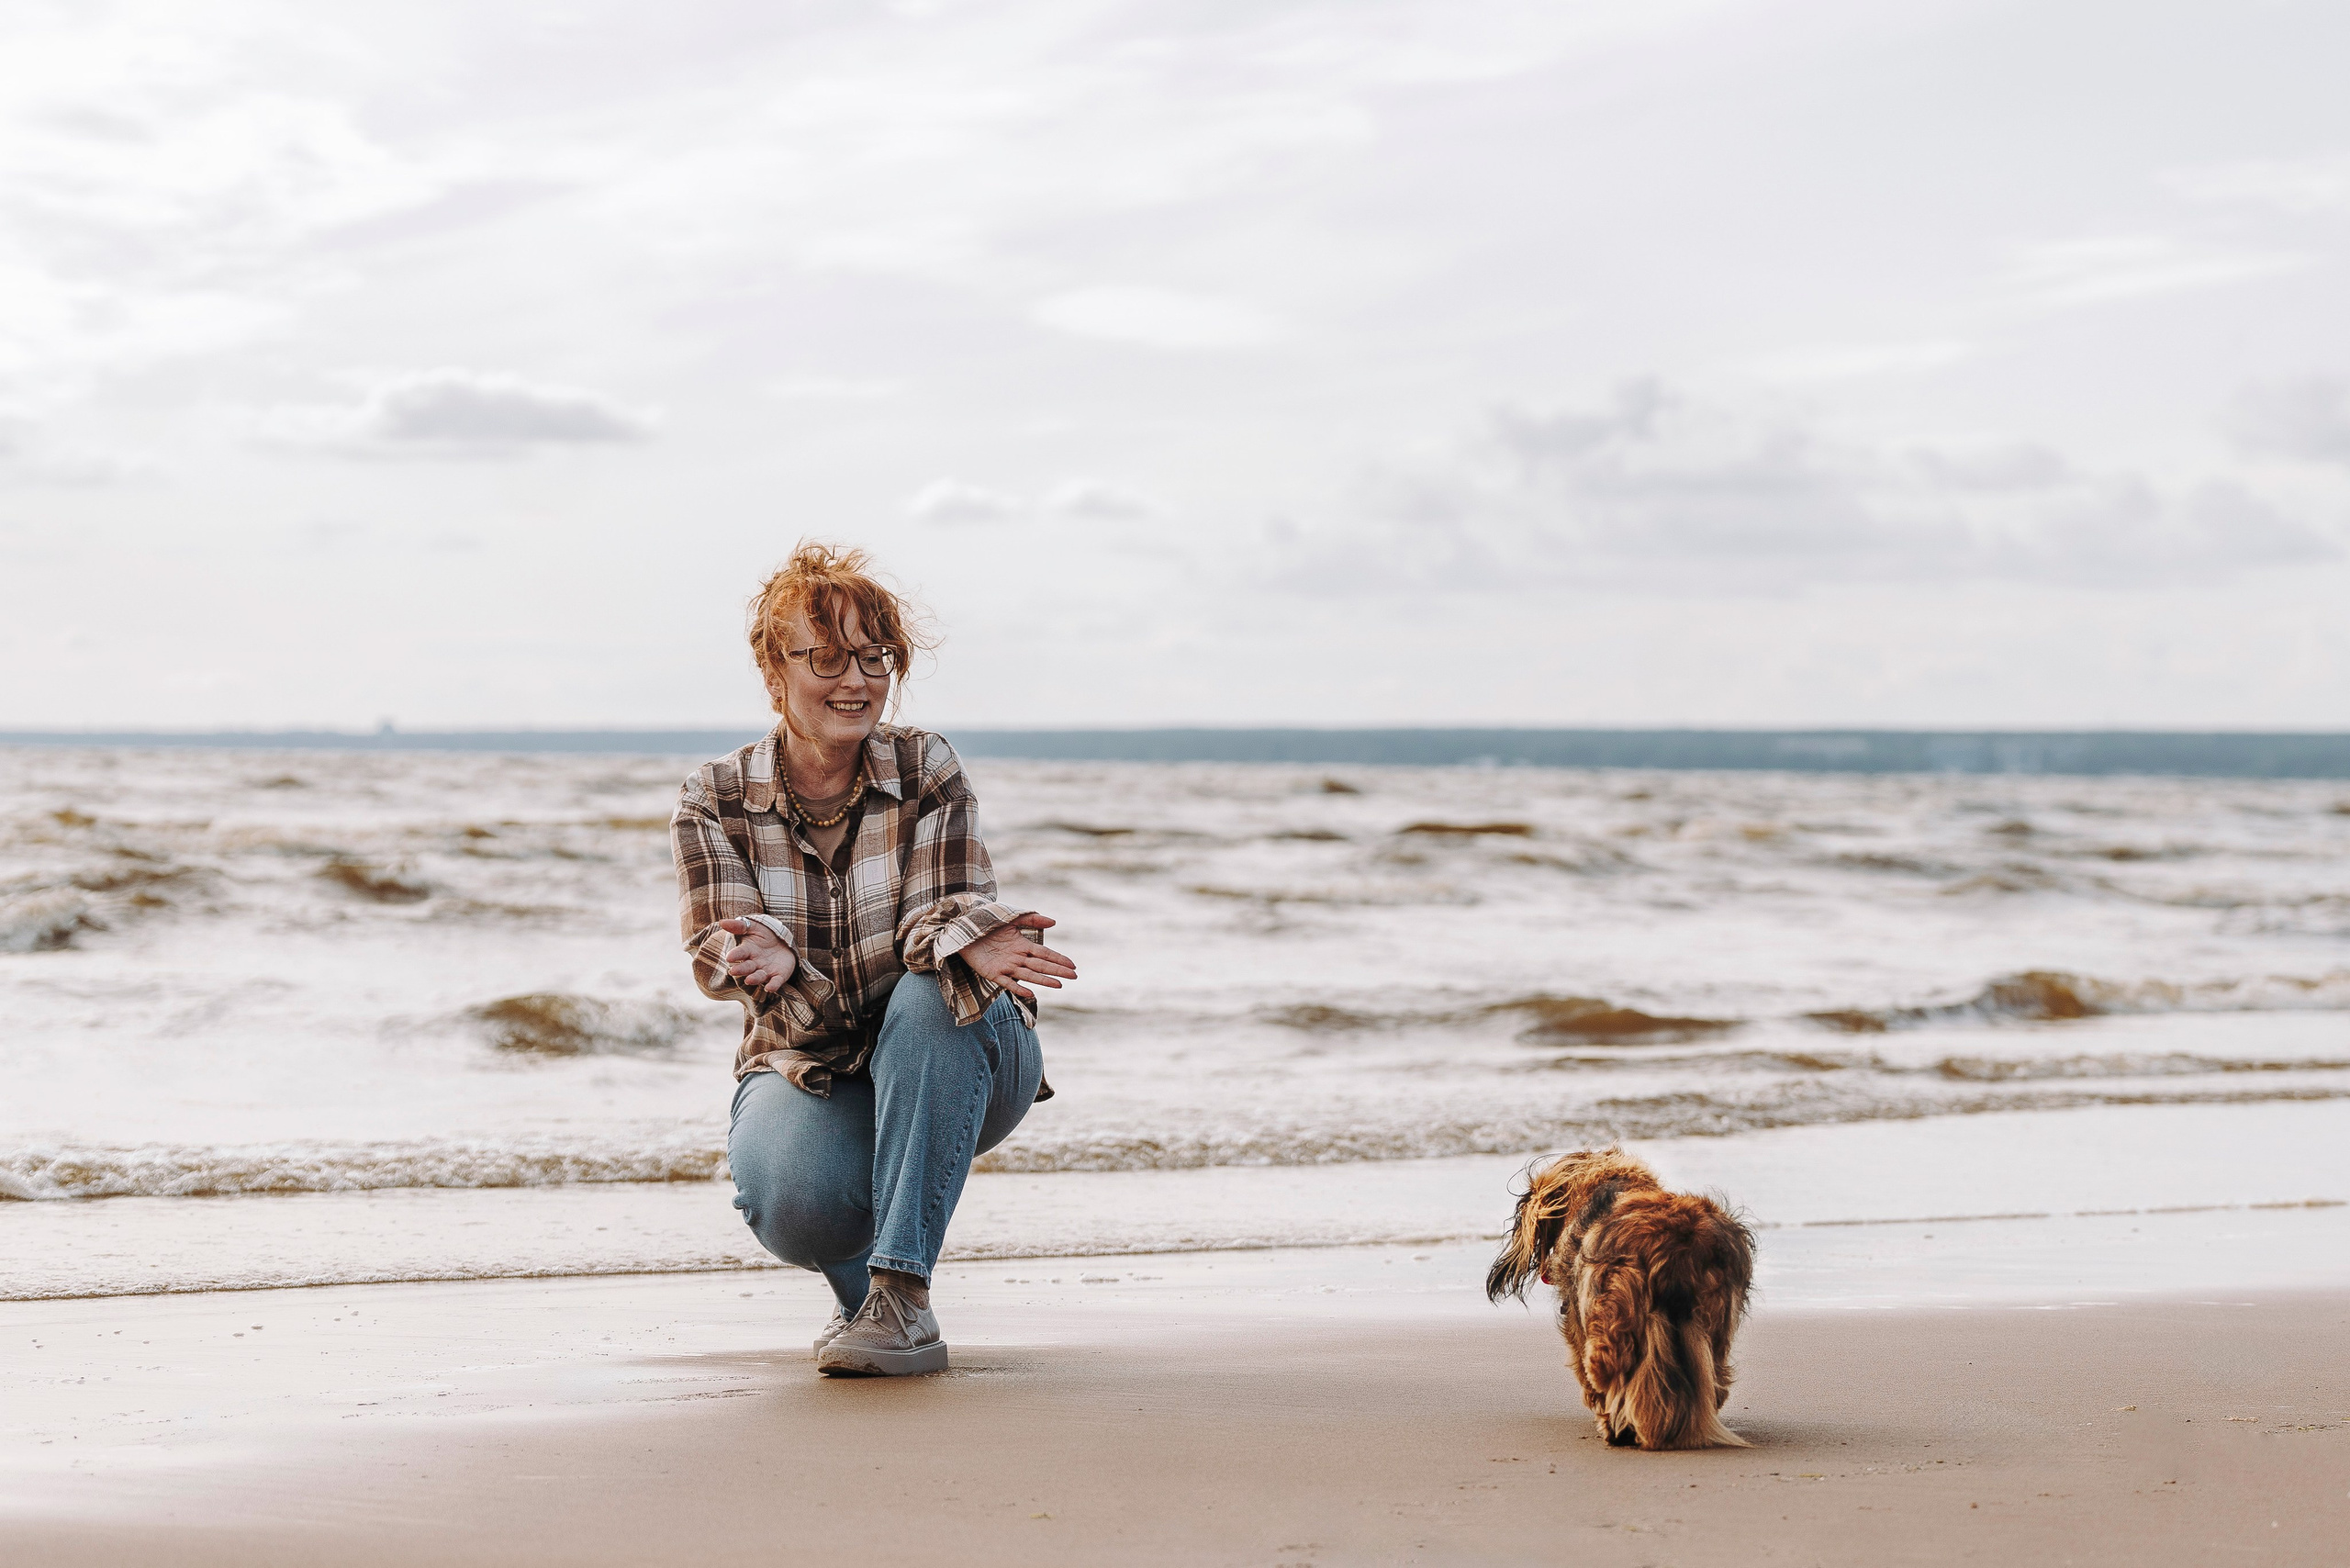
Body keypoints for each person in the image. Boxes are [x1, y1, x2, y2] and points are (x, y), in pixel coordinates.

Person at [670, 543, 1078, 1375]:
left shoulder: (925, 765)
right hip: (817, 1061)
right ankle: (862, 1297)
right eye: (825, 656)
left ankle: (903, 1296)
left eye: (874, 657)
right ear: (771, 667)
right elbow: (714, 943)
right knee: (793, 1203)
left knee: (935, 992)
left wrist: (973, 933)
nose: (854, 680)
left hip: (965, 1051)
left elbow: (943, 907)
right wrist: (763, 947)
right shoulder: (713, 797)